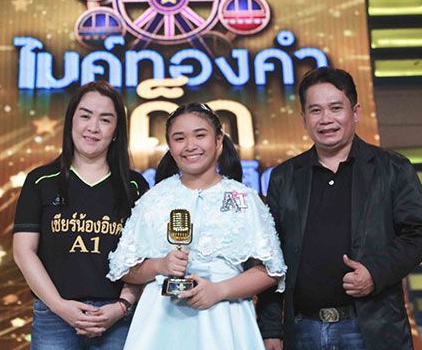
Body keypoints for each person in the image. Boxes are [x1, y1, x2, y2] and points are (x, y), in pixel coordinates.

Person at [257, 67, 422, 350]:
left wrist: (375, 272)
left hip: (370, 328)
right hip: (302, 330)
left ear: (355, 112)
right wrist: (270, 328)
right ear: (303, 119)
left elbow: (420, 234)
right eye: (315, 110)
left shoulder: (392, 168)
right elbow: (270, 255)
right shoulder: (284, 176)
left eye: (335, 108)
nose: (325, 119)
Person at [107, 102, 287, 349]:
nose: (190, 146)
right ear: (170, 146)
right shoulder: (153, 199)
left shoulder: (244, 198)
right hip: (161, 323)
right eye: (179, 138)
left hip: (224, 318)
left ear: (219, 140)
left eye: (200, 135)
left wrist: (219, 290)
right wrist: (160, 265)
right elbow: (125, 269)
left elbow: (272, 270)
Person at [13, 81, 149, 349]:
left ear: (116, 130)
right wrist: (59, 306)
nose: (93, 127)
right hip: (53, 316)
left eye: (105, 120)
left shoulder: (134, 186)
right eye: (85, 116)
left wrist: (122, 306)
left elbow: (144, 257)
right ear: (71, 121)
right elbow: (23, 251)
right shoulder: (41, 181)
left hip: (116, 318)